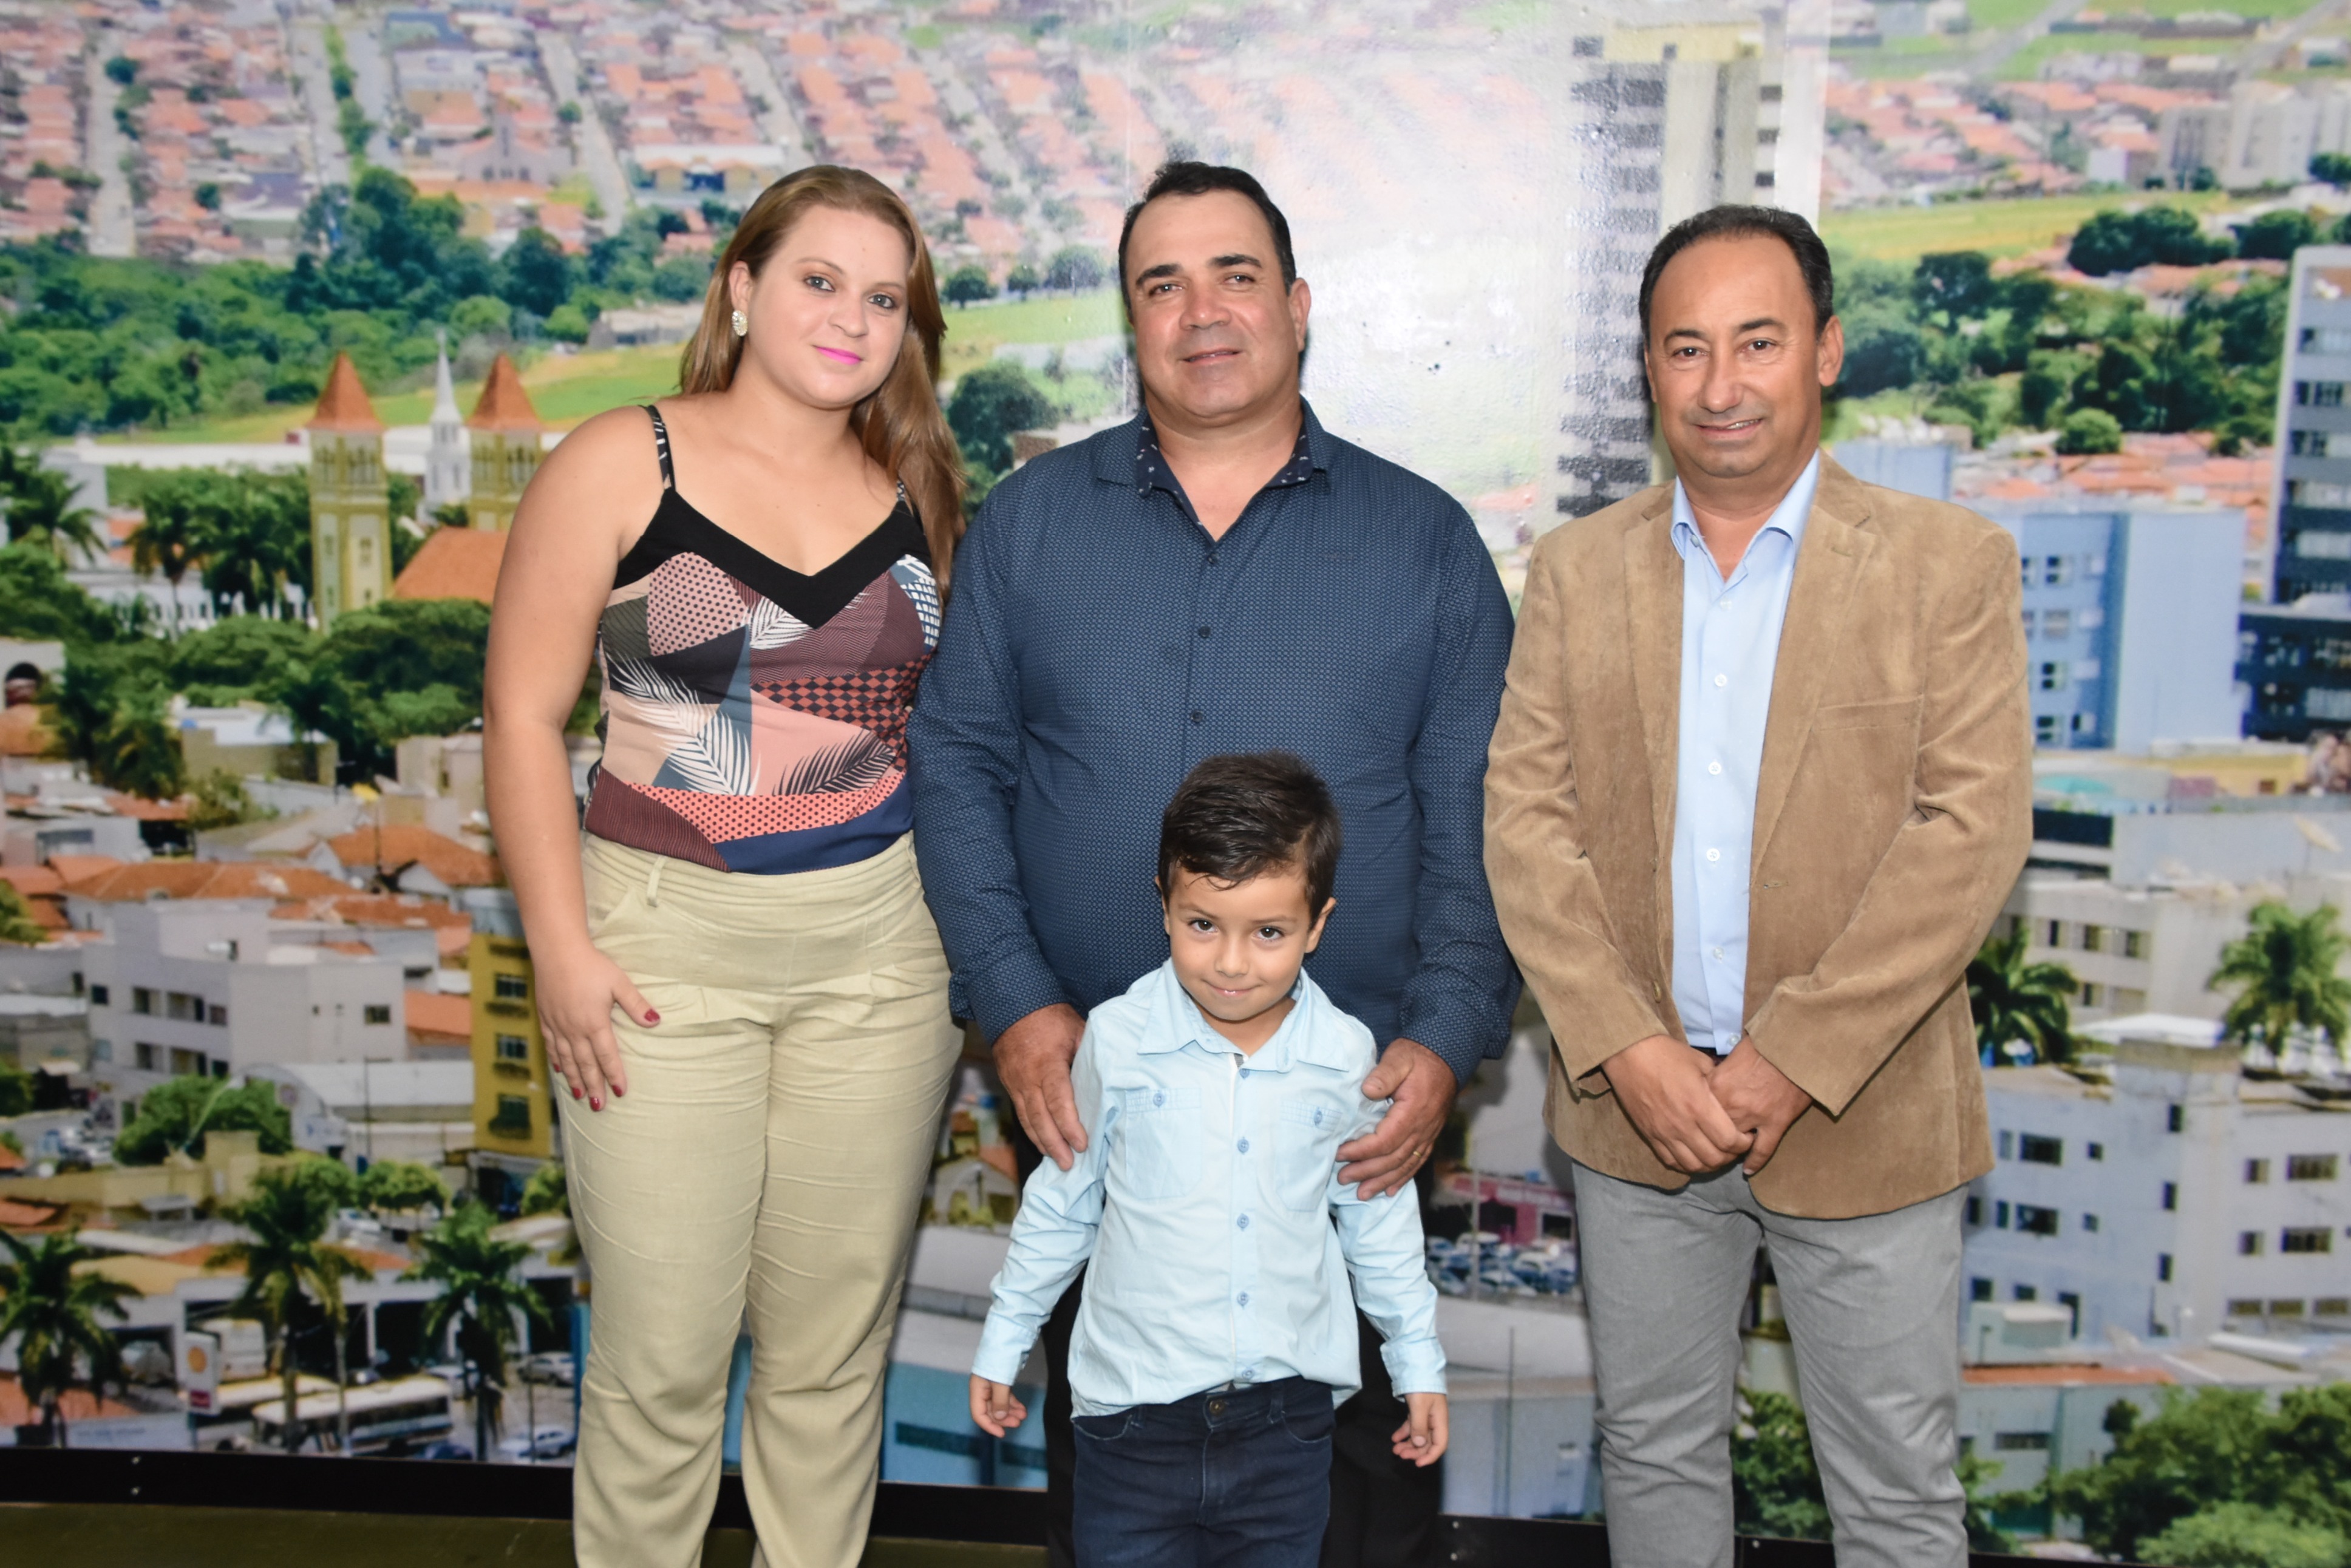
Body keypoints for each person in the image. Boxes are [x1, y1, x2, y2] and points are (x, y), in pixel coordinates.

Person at [908, 159, 1519, 1567]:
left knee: (1351, 1514)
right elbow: (955, 764)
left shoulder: (1423, 541)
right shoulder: (1030, 525)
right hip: (1101, 1107)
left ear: (1296, 305)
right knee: (1123, 1501)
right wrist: (1013, 1000)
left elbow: (1484, 816)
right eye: (1162, 283)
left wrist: (1442, 1037)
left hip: (1352, 1119)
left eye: (1234, 276)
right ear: (1130, 321)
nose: (1202, 312)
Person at [1482, 204, 2031, 1568]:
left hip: (1868, 1111)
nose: (1720, 384)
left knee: (1895, 1494)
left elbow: (1968, 833)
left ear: (1826, 351)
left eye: (1758, 342)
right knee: (1655, 1453)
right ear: (1649, 371)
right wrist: (1629, 1047)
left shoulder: (1947, 565)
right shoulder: (1575, 570)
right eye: (1687, 349)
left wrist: (1791, 1057)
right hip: (1640, 1119)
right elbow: (1527, 824)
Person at [481, 166, 966, 1568]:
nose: (852, 319)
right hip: (659, 954)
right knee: (662, 1363)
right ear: (742, 287)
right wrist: (561, 950)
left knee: (830, 1359)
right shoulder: (619, 461)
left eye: (884, 298)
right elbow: (520, 716)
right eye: (819, 280)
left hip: (881, 957)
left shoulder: (919, 485)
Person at [969, 753, 1448, 1567]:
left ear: (1318, 925)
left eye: (1269, 933)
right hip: (1131, 1425)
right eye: (1203, 926)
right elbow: (1065, 1201)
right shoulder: (1116, 1039)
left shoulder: (1345, 1056)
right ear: (1163, 905)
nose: (1231, 963)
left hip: (1287, 1430)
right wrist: (1005, 1336)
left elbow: (1378, 1220)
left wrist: (1417, 1363)